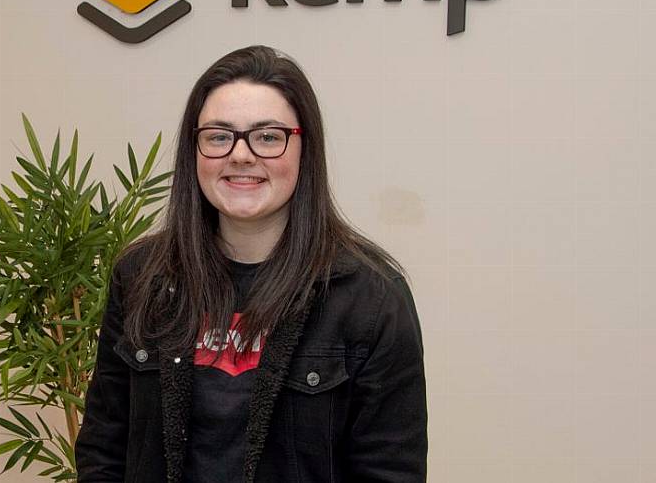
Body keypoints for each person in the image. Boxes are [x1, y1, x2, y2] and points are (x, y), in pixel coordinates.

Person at [75, 45, 427, 483]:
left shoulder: (371, 297)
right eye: (219, 136)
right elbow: (104, 447)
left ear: (304, 148)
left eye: (267, 136)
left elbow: (391, 471)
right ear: (195, 150)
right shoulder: (142, 277)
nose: (240, 155)